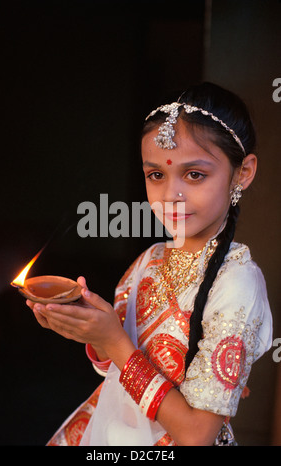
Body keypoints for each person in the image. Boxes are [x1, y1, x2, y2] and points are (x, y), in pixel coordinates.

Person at [27, 82, 273, 446]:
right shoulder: (149, 260)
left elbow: (195, 435)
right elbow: (110, 369)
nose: (171, 195)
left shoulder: (237, 284)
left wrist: (113, 339)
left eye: (194, 175)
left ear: (243, 173)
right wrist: (91, 330)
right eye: (156, 174)